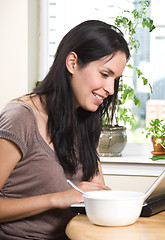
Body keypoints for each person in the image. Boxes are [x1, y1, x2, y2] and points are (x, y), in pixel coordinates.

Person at [0, 20, 130, 239]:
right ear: (72, 63)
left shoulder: (86, 121)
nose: (110, 89)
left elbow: (95, 191)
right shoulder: (20, 118)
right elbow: (67, 197)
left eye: (115, 79)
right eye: (105, 74)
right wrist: (57, 199)